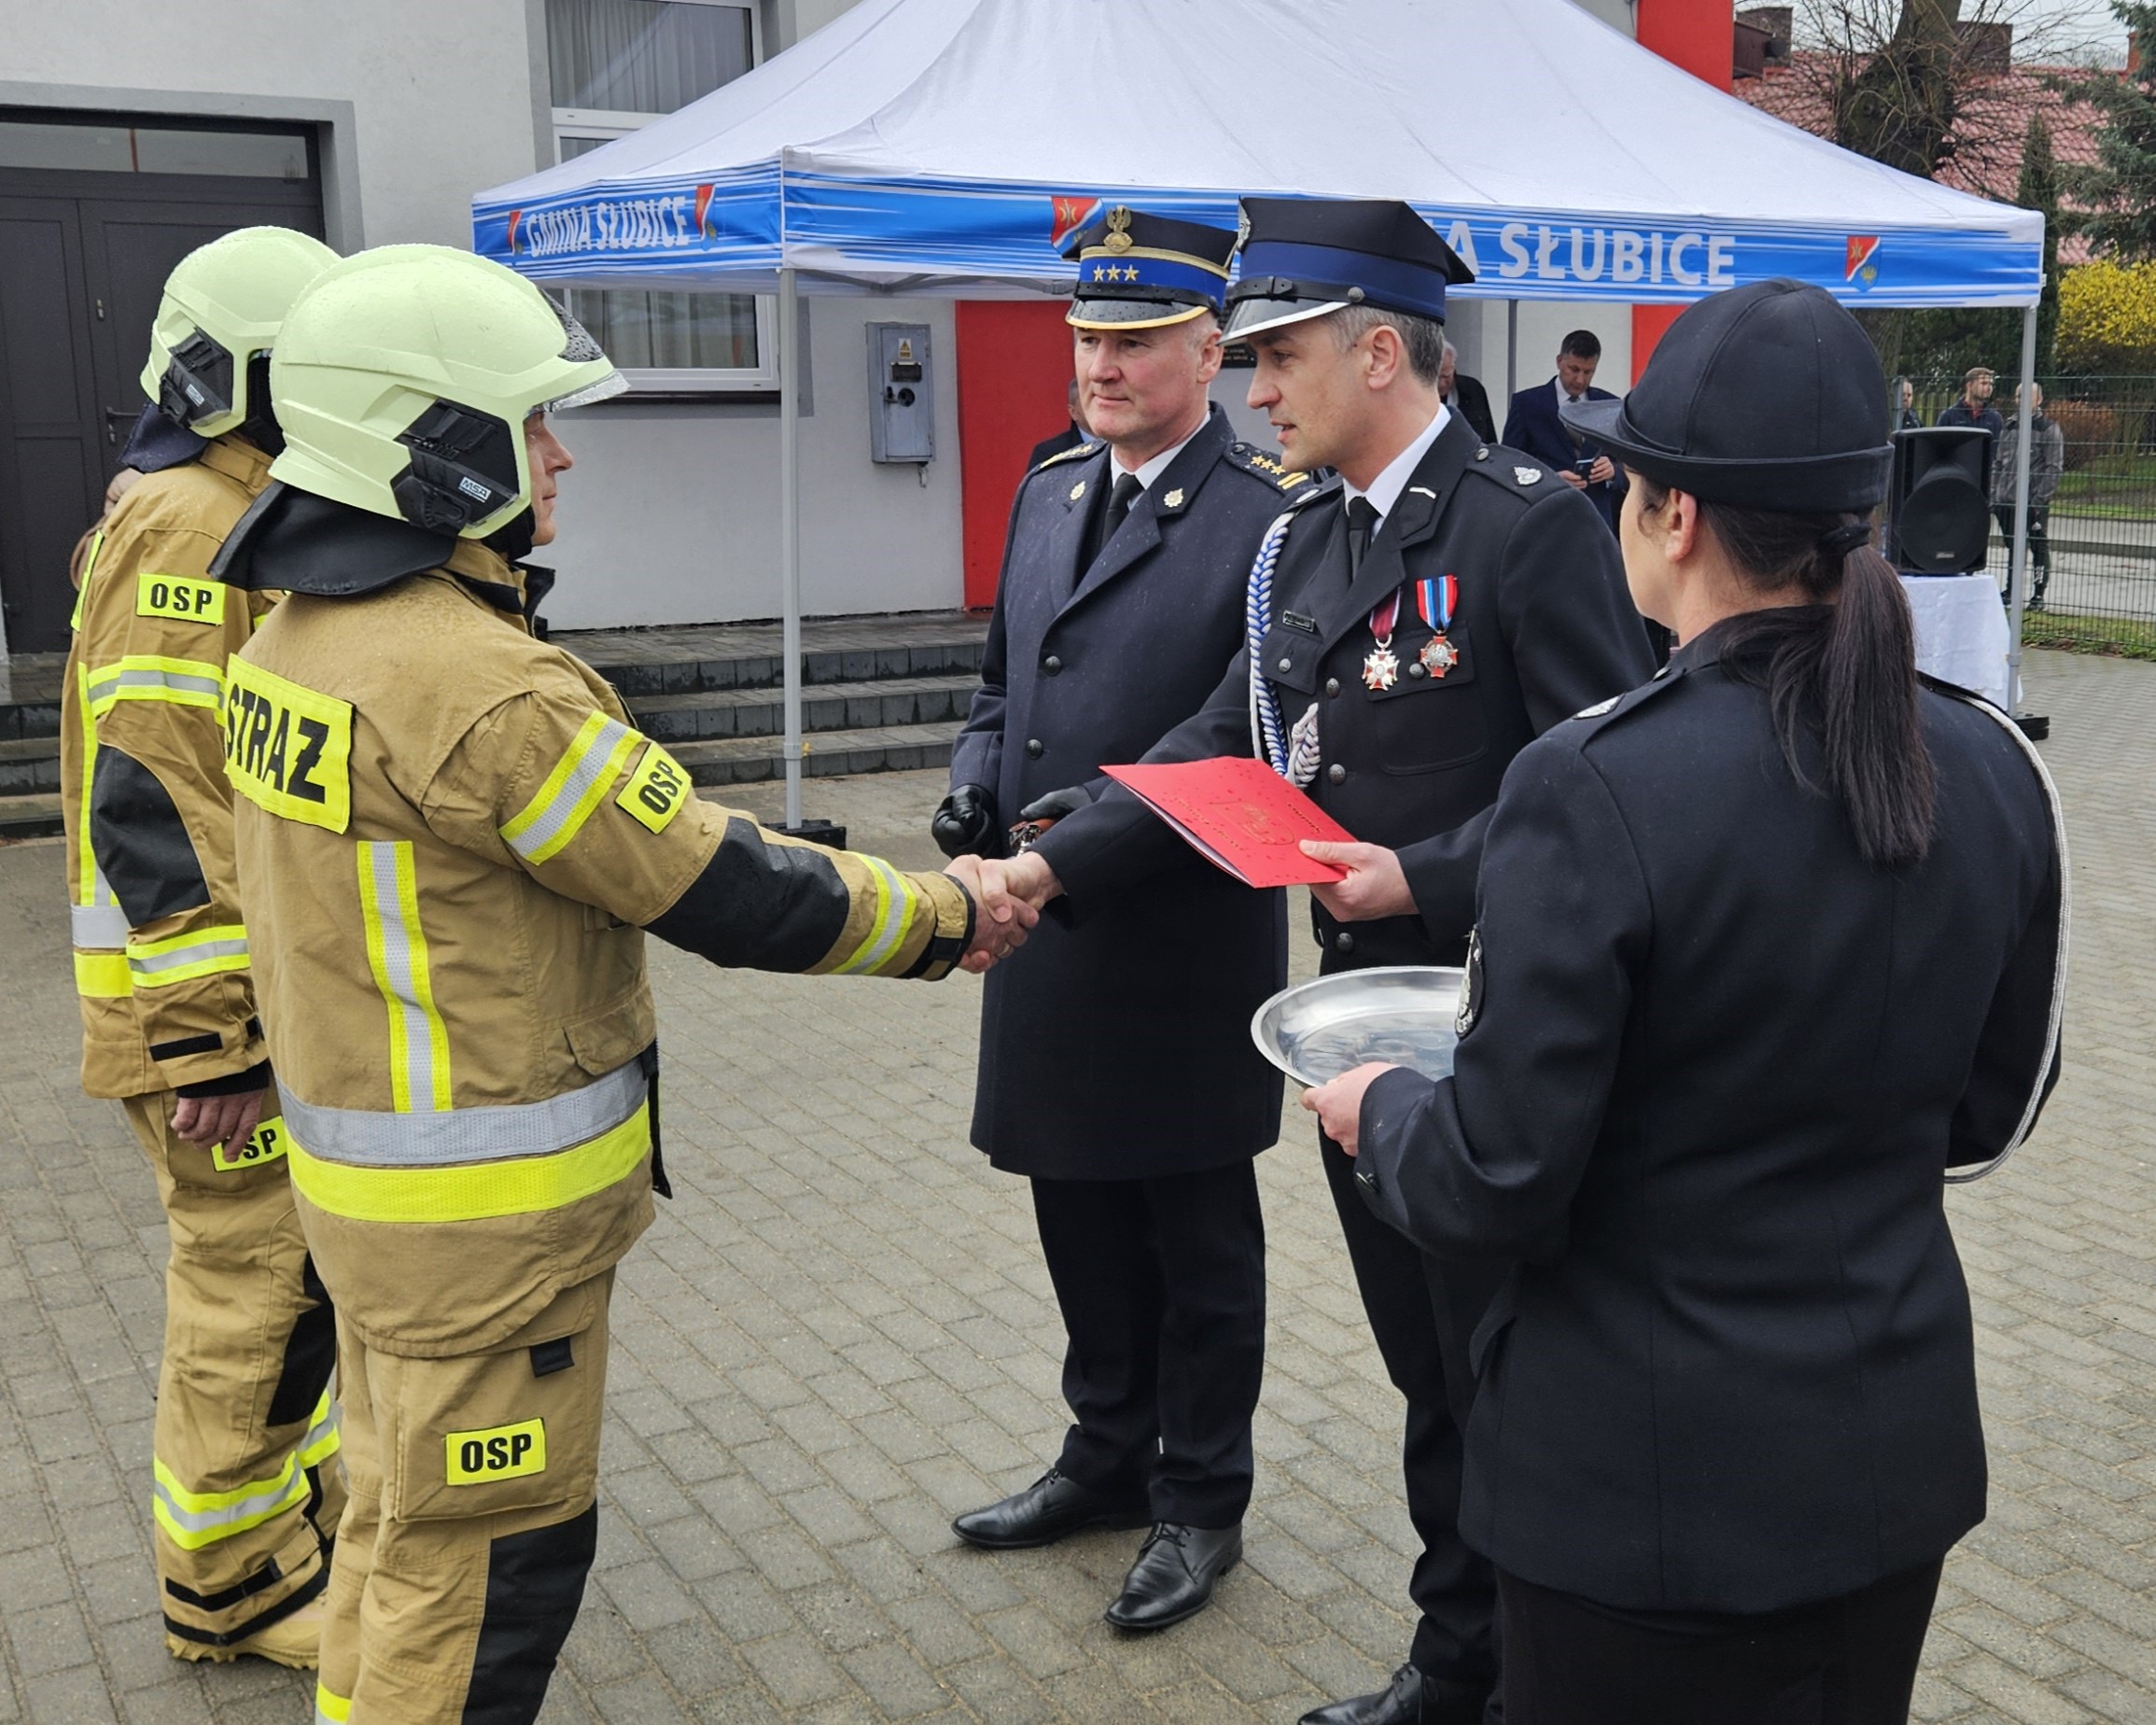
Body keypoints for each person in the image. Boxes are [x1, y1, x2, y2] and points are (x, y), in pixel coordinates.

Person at [210, 244, 1031, 1725]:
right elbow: (708, 880)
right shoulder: (479, 686)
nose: (559, 451)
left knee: (394, 1550)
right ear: (437, 445)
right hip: (484, 1249)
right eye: (529, 422)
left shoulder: (287, 646)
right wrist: (942, 912)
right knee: (478, 1597)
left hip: (374, 1223)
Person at [1307, 278, 2065, 1725]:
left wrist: (1380, 1108)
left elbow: (1495, 1180)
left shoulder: (1592, 784)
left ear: (1672, 518)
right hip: (1885, 1464)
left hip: (1636, 1498)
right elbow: (1988, 1106)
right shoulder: (1987, 765)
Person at [990, 197, 1656, 1725]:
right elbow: (1218, 739)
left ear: (1377, 350)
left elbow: (1611, 782)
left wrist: (1419, 870)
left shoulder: (1526, 525)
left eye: (1279, 357)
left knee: (1504, 1365)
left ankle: (1522, 1662)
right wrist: (1042, 863)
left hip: (1498, 1028)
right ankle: (1464, 1653)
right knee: (1430, 1363)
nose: (1256, 390)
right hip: (1357, 1038)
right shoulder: (1307, 539)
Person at [931, 206, 1309, 1633]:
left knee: (1194, 1241)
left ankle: (1199, 1497)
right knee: (1076, 1217)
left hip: (1170, 945)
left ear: (1209, 352)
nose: (1100, 363)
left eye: (1134, 340)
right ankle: (1103, 1456)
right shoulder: (1047, 488)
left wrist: (1061, 856)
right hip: (1040, 936)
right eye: (1087, 336)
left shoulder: (1267, 516)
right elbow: (997, 689)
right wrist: (972, 792)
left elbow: (1238, 739)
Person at [58, 225, 345, 1671]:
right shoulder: (184, 521)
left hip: (233, 1008)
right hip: (209, 1027)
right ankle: (230, 1586)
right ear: (241, 378)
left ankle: (288, 1525)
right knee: (255, 1295)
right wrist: (215, 1034)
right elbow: (154, 787)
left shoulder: (215, 497)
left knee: (295, 1291)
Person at [1504, 330, 1624, 531]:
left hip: (1596, 520)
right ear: (1559, 361)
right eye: (1574, 369)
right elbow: (1510, 463)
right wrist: (1549, 479)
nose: (1579, 380)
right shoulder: (1526, 404)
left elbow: (1628, 463)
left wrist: (1613, 472)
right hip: (1545, 515)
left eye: (1588, 372)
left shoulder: (1609, 404)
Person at [1993, 383, 2065, 610]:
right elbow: (1998, 463)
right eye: (2018, 395)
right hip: (2007, 500)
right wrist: (1995, 493)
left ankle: (2038, 593)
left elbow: (2054, 467)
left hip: (2033, 502)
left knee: (2038, 546)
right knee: (2014, 546)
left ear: (2039, 400)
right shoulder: (2010, 426)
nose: (2021, 400)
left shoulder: (2048, 429)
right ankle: (2011, 590)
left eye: (2027, 396)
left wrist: (2039, 499)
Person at [1027, 376, 1094, 470]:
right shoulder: (1049, 454)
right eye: (1084, 402)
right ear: (1073, 412)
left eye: (1095, 400)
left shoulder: (1119, 445)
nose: (1094, 407)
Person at [1439, 342, 1495, 444]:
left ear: (1453, 367)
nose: (1442, 383)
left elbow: (1489, 436)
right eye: (1437, 377)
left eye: (1446, 376)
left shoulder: (1472, 389)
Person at [1938, 365, 2003, 438]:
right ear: (1969, 386)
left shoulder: (1994, 418)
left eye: (1991, 384)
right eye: (1984, 383)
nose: (1989, 388)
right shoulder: (1949, 415)